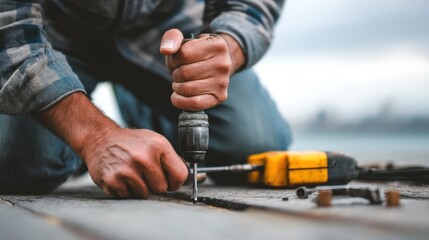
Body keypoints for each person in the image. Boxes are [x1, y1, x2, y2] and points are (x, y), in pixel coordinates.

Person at [0, 0, 291, 197]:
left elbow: (251, 6)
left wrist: (228, 43)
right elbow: (7, 24)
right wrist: (95, 137)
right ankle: (88, 135)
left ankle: (140, 114)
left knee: (254, 143)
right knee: (18, 164)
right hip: (47, 29)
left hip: (166, 25)